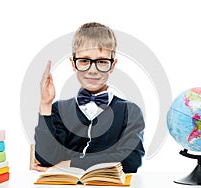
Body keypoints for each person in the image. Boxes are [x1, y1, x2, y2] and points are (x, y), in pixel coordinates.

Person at [33, 22, 145, 173]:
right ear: (73, 63)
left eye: (102, 61)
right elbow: (47, 159)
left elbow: (131, 160)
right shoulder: (59, 110)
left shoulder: (130, 111)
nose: (92, 70)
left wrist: (71, 163)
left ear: (112, 65)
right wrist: (45, 104)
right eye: (84, 61)